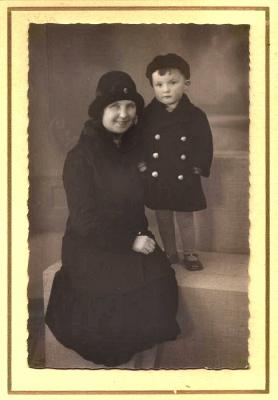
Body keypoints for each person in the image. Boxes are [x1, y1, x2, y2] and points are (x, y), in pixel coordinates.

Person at [45, 71, 180, 368]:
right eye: (114, 107)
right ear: (100, 111)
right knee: (117, 303)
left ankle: (146, 375)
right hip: (91, 245)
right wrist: (130, 241)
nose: (123, 114)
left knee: (159, 282)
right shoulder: (80, 157)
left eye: (130, 106)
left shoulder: (132, 150)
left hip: (135, 236)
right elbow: (84, 221)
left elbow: (146, 193)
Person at [141, 53, 213, 271]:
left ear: (186, 84)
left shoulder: (195, 115)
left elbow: (204, 142)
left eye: (173, 83)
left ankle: (190, 253)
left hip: (184, 175)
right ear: (152, 86)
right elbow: (139, 143)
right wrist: (142, 165)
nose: (166, 89)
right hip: (158, 175)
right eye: (159, 84)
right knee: (163, 217)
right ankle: (170, 253)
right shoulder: (147, 116)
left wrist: (199, 165)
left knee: (185, 217)